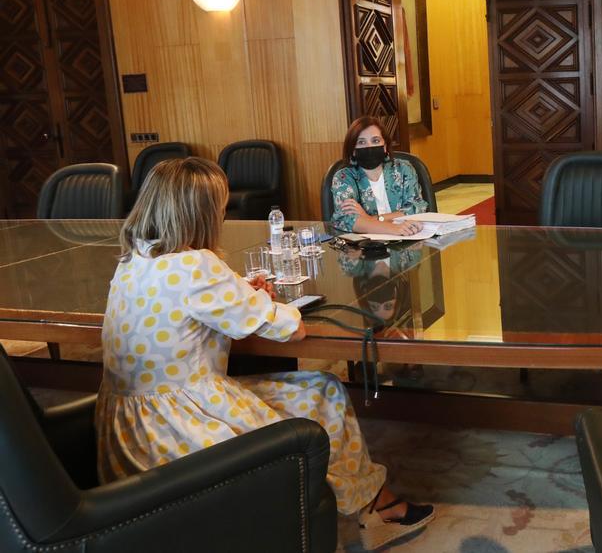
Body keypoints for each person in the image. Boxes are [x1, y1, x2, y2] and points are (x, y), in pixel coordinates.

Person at [97, 157, 434, 550]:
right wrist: (264, 300)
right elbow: (291, 328)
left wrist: (240, 289)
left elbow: (187, 303)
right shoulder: (196, 265)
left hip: (127, 429)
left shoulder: (134, 258)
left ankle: (368, 502)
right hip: (182, 426)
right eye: (219, 210)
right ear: (202, 214)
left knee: (303, 396)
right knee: (322, 390)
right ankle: (375, 507)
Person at [330, 116, 429, 234]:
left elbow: (416, 208)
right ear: (353, 150)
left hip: (410, 239)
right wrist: (393, 228)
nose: (369, 146)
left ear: (385, 146)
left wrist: (371, 219)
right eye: (361, 142)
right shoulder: (343, 178)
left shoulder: (403, 169)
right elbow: (347, 219)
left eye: (375, 141)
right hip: (367, 247)